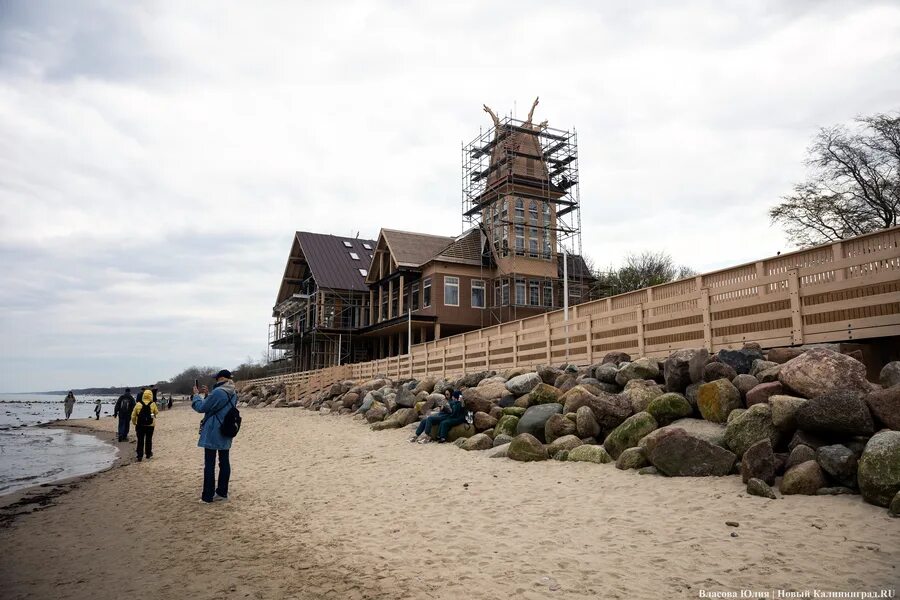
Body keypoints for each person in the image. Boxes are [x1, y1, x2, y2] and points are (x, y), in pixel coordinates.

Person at [192, 369, 238, 503]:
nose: (215, 380)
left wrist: (196, 396)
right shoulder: (233, 392)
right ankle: (222, 493)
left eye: (216, 378)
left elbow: (201, 408)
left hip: (213, 430)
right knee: (224, 462)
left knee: (210, 464)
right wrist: (208, 396)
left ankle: (208, 496)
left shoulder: (218, 392)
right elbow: (219, 407)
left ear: (221, 378)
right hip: (226, 429)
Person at [131, 389, 158, 461]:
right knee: (148, 440)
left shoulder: (138, 404)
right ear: (151, 395)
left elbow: (133, 415)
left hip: (140, 425)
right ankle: (148, 454)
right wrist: (151, 415)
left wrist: (134, 422)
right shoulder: (153, 404)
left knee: (140, 440)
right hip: (150, 425)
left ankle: (139, 455)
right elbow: (156, 413)